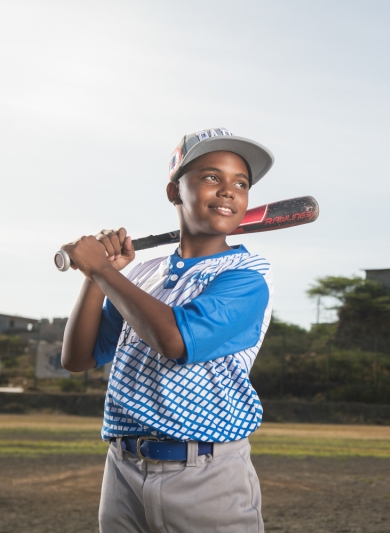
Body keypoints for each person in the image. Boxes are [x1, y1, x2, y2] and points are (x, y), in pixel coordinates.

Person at [60, 127, 274, 533]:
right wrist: (96, 276)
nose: (228, 190)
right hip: (123, 468)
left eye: (241, 183)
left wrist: (103, 269)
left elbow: (174, 341)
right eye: (212, 176)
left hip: (205, 473)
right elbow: (78, 357)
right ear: (175, 192)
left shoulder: (248, 275)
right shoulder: (140, 275)